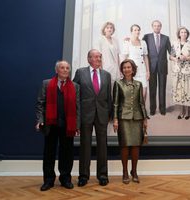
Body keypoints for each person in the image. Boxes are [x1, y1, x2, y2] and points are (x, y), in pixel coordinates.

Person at [35, 60, 80, 191]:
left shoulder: (75, 86)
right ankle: (48, 180)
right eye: (62, 68)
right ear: (57, 70)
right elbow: (40, 104)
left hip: (68, 125)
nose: (65, 70)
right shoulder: (47, 83)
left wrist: (77, 125)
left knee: (67, 153)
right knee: (49, 153)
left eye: (67, 68)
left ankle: (65, 179)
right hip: (50, 124)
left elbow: (78, 107)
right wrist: (40, 119)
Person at [73, 49, 112, 187]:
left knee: (102, 146)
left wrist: (110, 115)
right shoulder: (80, 72)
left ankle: (102, 175)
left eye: (100, 57)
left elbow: (109, 97)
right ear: (88, 59)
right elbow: (74, 93)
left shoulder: (107, 75)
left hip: (102, 115)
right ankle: (83, 176)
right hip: (85, 114)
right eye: (96, 57)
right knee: (85, 146)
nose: (98, 59)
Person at [113, 59, 147, 184]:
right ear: (122, 70)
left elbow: (141, 103)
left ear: (133, 69)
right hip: (123, 118)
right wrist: (115, 119)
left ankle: (134, 171)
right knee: (125, 145)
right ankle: (125, 172)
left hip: (137, 118)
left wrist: (145, 118)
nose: (126, 69)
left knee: (136, 146)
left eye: (129, 67)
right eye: (124, 67)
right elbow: (115, 103)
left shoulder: (139, 84)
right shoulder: (118, 83)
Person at [143, 20, 171, 115]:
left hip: (163, 66)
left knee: (162, 88)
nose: (157, 27)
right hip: (151, 67)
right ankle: (152, 109)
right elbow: (139, 45)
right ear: (152, 27)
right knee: (152, 88)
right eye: (155, 26)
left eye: (158, 26)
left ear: (161, 27)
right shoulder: (147, 37)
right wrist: (128, 40)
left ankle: (162, 109)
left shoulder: (166, 38)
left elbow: (171, 51)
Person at [170, 27, 190, 119]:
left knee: (188, 90)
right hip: (177, 71)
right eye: (181, 32)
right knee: (179, 91)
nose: (183, 34)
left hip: (188, 72)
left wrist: (186, 58)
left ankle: (187, 112)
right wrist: (175, 58)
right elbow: (171, 56)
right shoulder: (175, 43)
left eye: (185, 32)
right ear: (179, 34)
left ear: (187, 34)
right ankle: (181, 112)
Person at [122, 24, 150, 102]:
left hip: (142, 69)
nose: (137, 31)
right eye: (135, 30)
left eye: (138, 30)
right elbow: (124, 58)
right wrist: (123, 71)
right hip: (132, 70)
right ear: (131, 32)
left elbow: (145, 57)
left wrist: (148, 71)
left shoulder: (143, 42)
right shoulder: (127, 42)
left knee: (144, 92)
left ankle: (143, 112)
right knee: (133, 93)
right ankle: (134, 113)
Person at [98, 21, 121, 88]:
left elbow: (117, 56)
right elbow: (99, 56)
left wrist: (120, 69)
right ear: (104, 29)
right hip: (106, 68)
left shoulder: (116, 40)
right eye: (107, 28)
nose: (109, 29)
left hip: (116, 69)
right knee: (107, 89)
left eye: (111, 28)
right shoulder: (101, 40)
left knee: (116, 89)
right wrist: (100, 69)